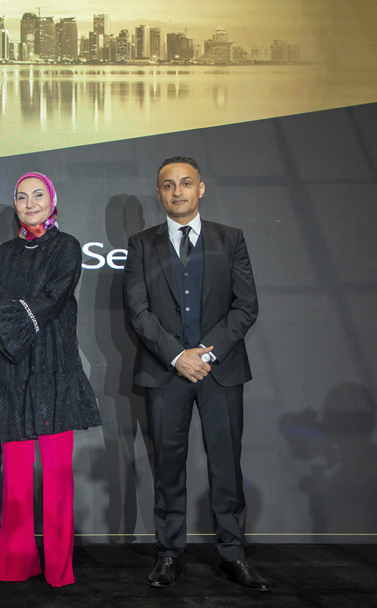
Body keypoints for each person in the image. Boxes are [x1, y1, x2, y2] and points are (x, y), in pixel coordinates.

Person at [124, 157, 267, 591]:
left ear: (201, 188)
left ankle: (234, 554)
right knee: (168, 468)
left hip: (220, 373)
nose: (178, 191)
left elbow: (246, 306)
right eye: (168, 185)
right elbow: (138, 310)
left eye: (186, 183)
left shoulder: (231, 239)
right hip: (166, 374)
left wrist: (207, 355)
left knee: (226, 466)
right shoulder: (141, 244)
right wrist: (176, 356)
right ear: (159, 193)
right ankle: (169, 554)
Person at [0, 172, 102, 587]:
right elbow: (2, 301)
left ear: (52, 201)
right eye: (22, 197)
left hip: (54, 370)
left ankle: (60, 569)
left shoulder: (67, 247)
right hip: (13, 369)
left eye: (38, 196)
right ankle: (17, 562)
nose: (30, 204)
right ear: (15, 205)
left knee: (58, 478)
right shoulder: (5, 252)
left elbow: (51, 301)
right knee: (17, 479)